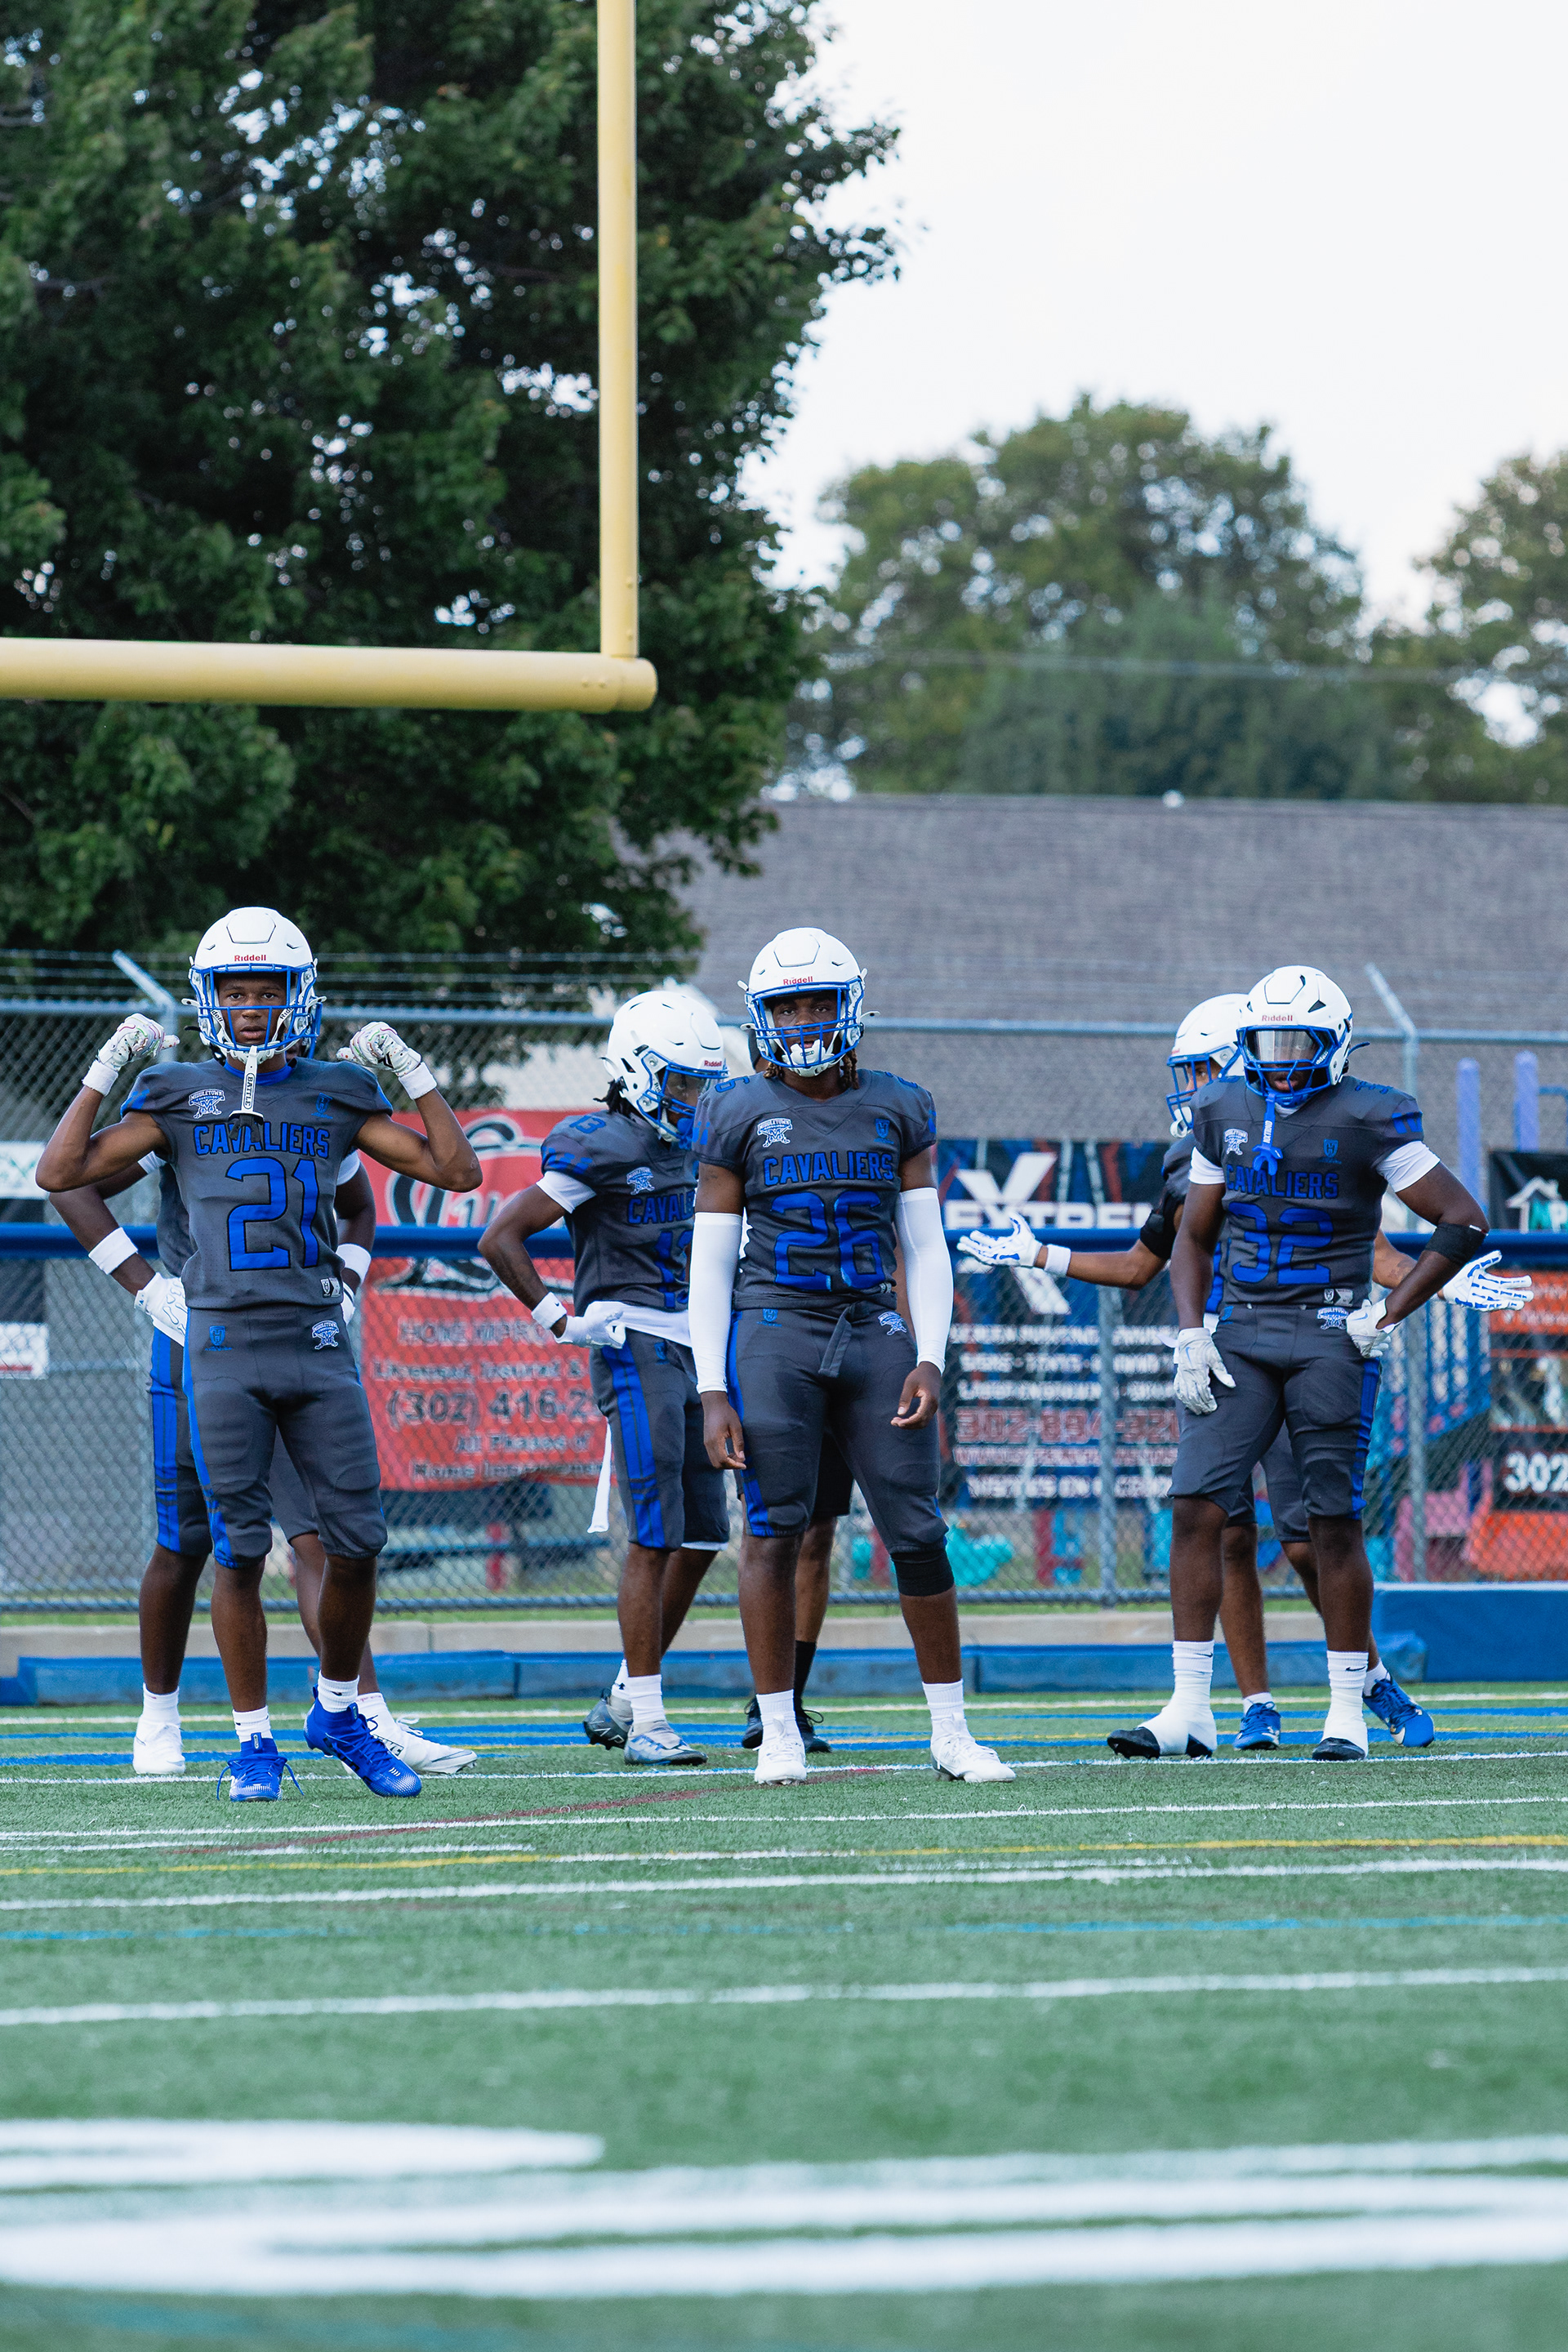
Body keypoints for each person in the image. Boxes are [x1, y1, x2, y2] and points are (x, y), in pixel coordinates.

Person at [960, 985, 1525, 1754]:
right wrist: (1042, 1255)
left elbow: (1372, 1249)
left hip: (1319, 1337)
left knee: (1310, 1533)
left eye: (1201, 1068)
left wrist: (1432, 1287)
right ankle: (1242, 1705)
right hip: (1230, 1346)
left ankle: (1366, 1682)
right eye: (1188, 1072)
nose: (1191, 1087)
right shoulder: (1207, 1133)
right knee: (1213, 1521)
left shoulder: (1346, 1123)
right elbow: (1146, 1263)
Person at [35, 906, 480, 1801]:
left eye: (265, 990)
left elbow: (449, 1176)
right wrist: (106, 1071)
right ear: (208, 997)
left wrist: (412, 1072)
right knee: (205, 1542)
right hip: (206, 1337)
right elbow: (61, 1175)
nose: (249, 1007)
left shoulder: (334, 1093)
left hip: (312, 1339)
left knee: (346, 1539)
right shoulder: (175, 1093)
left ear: (299, 995)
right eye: (233, 991)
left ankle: (348, 1711)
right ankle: (197, 1724)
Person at [1110, 963, 1490, 1762]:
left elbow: (1462, 1218)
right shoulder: (1222, 1108)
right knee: (1196, 1506)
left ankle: (1348, 1709)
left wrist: (1390, 1310)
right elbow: (1193, 1239)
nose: (1282, 1062)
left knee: (1329, 1524)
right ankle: (1190, 1708)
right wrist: (1191, 1332)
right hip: (1244, 1331)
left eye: (1299, 1044)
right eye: (1268, 1044)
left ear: (1337, 1043)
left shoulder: (1370, 1114)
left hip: (1329, 1334)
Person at [688, 925, 1012, 1788]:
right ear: (761, 1016)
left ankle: (951, 1732)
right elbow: (711, 1261)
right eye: (786, 1005)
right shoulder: (735, 1109)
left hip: (873, 1329)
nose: (802, 1019)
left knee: (918, 1529)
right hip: (774, 1331)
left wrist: (932, 1355)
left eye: (818, 1002)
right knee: (773, 1531)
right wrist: (712, 1387)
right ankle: (779, 1730)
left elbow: (927, 1246)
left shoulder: (898, 1105)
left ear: (851, 1005)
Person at [53, 1147, 474, 1780]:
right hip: (200, 1342)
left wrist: (347, 1286)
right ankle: (159, 1715)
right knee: (186, 1541)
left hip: (295, 1341)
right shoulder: (184, 1107)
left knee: (320, 1535)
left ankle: (364, 1714)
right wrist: (149, 1288)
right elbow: (67, 1184)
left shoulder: (318, 1105)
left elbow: (361, 1207)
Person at [479, 991, 730, 1768]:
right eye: (681, 1082)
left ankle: (625, 1696)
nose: (693, 1099)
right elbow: (501, 1235)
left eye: (702, 1085)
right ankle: (649, 1722)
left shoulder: (700, 1148)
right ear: (638, 1071)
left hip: (702, 1347)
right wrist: (560, 1319)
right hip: (635, 1345)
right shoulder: (602, 1145)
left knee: (704, 1536)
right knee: (654, 1534)